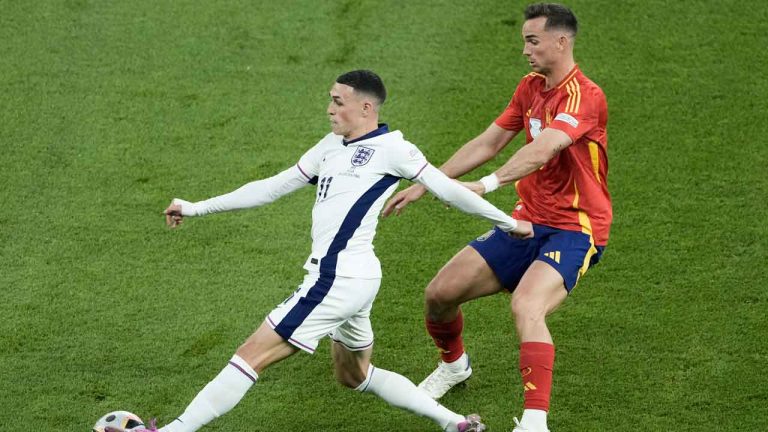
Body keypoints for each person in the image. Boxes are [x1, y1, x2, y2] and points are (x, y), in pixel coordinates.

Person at [119, 70, 534, 432]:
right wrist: (196, 207)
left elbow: (447, 191)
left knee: (250, 356)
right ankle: (455, 422)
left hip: (336, 278)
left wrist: (507, 222)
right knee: (353, 375)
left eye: (338, 102)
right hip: (357, 279)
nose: (330, 110)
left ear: (366, 107)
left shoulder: (394, 149)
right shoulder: (330, 146)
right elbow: (271, 187)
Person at [382, 4, 611, 432]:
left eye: (532, 40)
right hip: (527, 221)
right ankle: (455, 366)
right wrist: (425, 181)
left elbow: (544, 149)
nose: (525, 49)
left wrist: (486, 186)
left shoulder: (585, 96)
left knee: (527, 306)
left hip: (575, 227)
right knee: (439, 294)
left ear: (560, 42)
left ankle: (534, 422)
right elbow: (488, 141)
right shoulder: (530, 87)